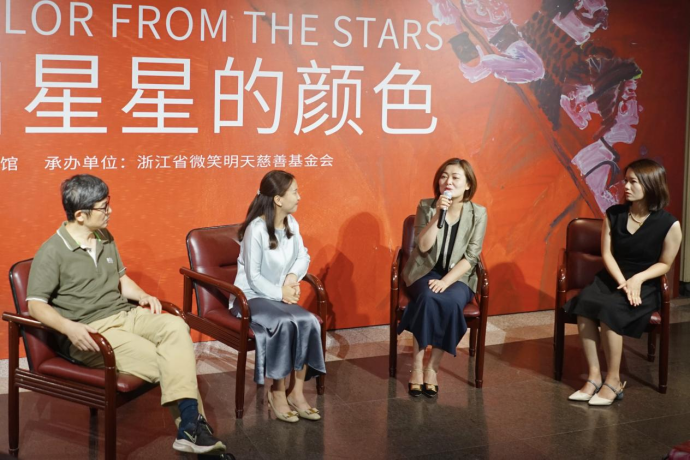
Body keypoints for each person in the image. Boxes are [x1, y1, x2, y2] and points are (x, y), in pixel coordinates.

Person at [26, 175, 226, 455]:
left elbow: (121, 279)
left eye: (108, 203)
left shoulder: (104, 237)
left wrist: (142, 295)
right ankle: (194, 428)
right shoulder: (52, 251)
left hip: (125, 314)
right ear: (80, 215)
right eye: (103, 207)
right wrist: (69, 328)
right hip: (92, 331)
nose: (110, 211)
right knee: (166, 359)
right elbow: (35, 305)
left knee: (176, 325)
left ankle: (190, 428)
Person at [565, 159, 682, 405]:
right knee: (585, 303)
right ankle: (594, 377)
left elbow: (665, 264)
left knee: (610, 310)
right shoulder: (614, 214)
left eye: (633, 182)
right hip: (614, 277)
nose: (625, 186)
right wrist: (623, 282)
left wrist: (637, 279)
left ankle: (614, 381)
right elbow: (607, 254)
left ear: (650, 185)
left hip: (645, 283)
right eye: (626, 181)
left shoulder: (669, 224)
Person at [232, 170, 326, 423]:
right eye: (295, 192)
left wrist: (291, 278)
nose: (299, 196)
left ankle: (296, 392)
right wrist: (280, 293)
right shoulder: (256, 229)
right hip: (251, 297)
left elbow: (302, 256)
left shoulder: (291, 223)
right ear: (278, 199)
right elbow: (253, 277)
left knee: (309, 321)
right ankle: (277, 392)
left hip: (278, 296)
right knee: (284, 323)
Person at [398, 158, 488, 397]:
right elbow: (423, 246)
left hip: (458, 276)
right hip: (424, 271)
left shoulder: (478, 213)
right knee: (428, 298)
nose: (448, 181)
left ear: (468, 185)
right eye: (444, 176)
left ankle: (432, 368)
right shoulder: (426, 206)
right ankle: (417, 367)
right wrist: (438, 214)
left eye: (455, 177)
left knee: (450, 301)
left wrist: (446, 281)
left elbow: (471, 257)